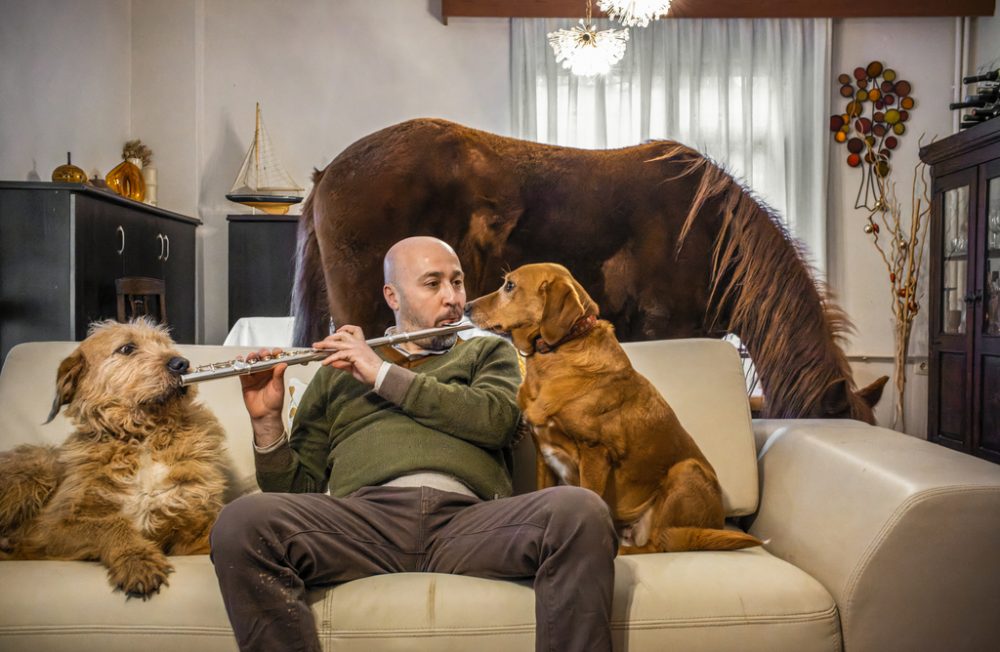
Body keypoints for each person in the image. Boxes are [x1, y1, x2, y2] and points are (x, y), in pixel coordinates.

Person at [210, 236, 618, 652]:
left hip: (471, 523)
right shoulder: (337, 372)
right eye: (433, 284)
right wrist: (266, 423)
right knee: (242, 522)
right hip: (364, 523)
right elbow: (299, 489)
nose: (453, 298)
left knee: (580, 510)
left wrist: (382, 375)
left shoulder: (487, 353)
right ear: (393, 295)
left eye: (457, 283)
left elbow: (496, 421)